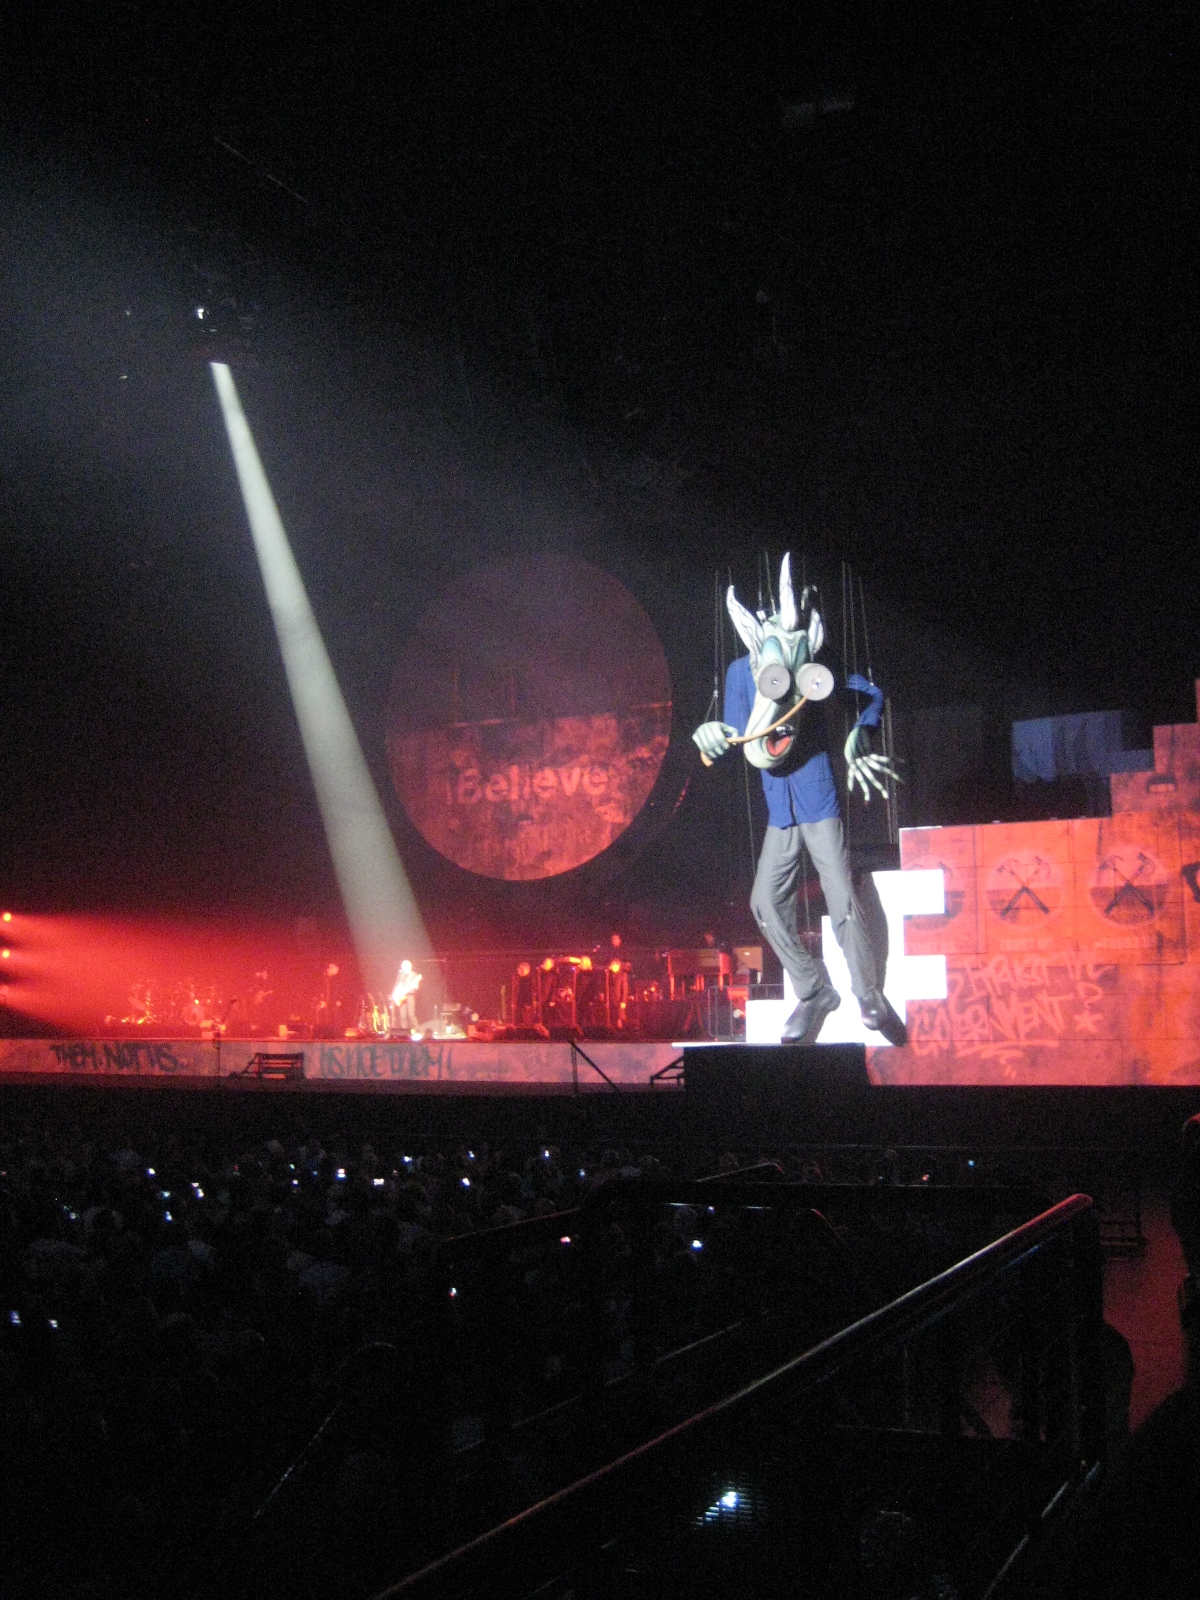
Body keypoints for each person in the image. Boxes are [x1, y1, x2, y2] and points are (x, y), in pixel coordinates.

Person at [693, 553, 902, 1045]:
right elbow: (739, 736)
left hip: (817, 797)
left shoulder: (814, 669)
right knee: (764, 902)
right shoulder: (740, 673)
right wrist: (710, 734)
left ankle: (868, 994)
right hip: (778, 809)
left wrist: (858, 737)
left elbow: (870, 694)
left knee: (841, 894)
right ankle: (814, 991)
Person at [390, 959, 422, 1035]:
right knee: (402, 1016)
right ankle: (404, 1032)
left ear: (409, 966)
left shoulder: (414, 974)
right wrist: (394, 994)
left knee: (411, 1015)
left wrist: (414, 986)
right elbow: (398, 984)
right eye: (402, 966)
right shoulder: (401, 974)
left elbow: (416, 986)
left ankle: (417, 1030)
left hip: (410, 995)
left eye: (404, 966)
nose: (402, 968)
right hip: (401, 997)